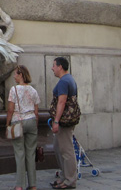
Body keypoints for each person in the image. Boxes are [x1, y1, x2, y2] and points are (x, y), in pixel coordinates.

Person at [6, 65, 40, 190]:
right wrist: (35, 125)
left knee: (19, 153)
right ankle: (33, 184)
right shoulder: (33, 90)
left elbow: (10, 109)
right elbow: (36, 111)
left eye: (15, 74)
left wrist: (7, 123)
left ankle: (19, 185)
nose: (14, 76)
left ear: (21, 75)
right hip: (31, 120)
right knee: (31, 154)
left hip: (18, 121)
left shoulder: (14, 90)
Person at [50, 57, 78, 189]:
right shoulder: (70, 79)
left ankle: (70, 180)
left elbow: (62, 101)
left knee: (66, 150)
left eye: (54, 66)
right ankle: (65, 177)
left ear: (60, 66)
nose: (52, 68)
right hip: (67, 119)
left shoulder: (63, 81)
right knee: (58, 147)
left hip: (63, 121)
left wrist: (56, 121)